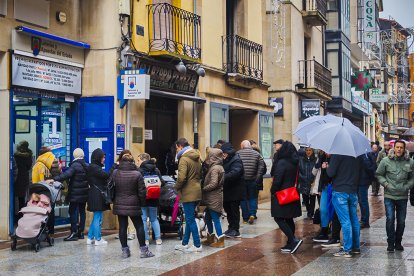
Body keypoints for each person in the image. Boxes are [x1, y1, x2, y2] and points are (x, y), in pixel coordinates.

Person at [113, 153, 154, 258]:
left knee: (122, 226)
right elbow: (142, 192)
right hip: (134, 203)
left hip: (119, 202)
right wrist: (142, 203)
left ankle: (125, 251)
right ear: (132, 162)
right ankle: (144, 251)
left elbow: (111, 188)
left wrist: (114, 200)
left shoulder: (116, 173)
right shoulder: (137, 174)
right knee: (139, 225)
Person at [376, 140, 414, 252]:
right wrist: (386, 184)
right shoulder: (385, 161)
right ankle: (390, 243)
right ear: (394, 148)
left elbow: (412, 177)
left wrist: (407, 186)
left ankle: (398, 242)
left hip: (402, 196)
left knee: (401, 221)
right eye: (397, 147)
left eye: (401, 147)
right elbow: (379, 174)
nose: (399, 149)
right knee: (390, 219)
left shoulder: (410, 162)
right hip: (389, 195)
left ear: (404, 149)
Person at [327, 154, 362, 258]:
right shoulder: (357, 155)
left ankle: (347, 249)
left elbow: (330, 173)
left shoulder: (337, 154)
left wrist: (327, 167)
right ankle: (356, 247)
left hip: (340, 191)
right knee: (354, 220)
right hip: (353, 191)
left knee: (345, 221)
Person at [271, 141, 303, 254]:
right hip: (292, 193)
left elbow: (277, 179)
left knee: (278, 218)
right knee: (289, 218)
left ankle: (293, 240)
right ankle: (290, 242)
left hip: (281, 194)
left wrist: (273, 190)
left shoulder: (282, 162)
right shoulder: (295, 162)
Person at [174, 138, 203, 253]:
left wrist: (176, 187)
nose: (176, 151)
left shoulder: (184, 159)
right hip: (196, 190)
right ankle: (185, 243)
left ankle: (197, 244)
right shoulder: (197, 157)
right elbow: (200, 174)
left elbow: (181, 178)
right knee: (189, 217)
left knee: (190, 219)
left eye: (176, 148)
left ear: (180, 146)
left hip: (188, 192)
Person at [53, 148, 89, 241]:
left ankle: (74, 232)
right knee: (82, 211)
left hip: (75, 193)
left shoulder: (75, 165)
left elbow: (66, 175)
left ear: (74, 155)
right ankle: (81, 232)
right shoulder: (86, 165)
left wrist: (54, 179)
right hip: (84, 192)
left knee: (72, 211)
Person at [31, 146, 61, 234]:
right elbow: (57, 176)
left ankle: (40, 230)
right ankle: (50, 231)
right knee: (50, 209)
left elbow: (33, 179)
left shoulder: (37, 163)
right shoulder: (53, 160)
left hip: (38, 189)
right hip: (49, 190)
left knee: (40, 209)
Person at [136, 153, 164, 246]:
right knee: (154, 219)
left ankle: (146, 240)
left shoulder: (139, 171)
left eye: (139, 160)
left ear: (143, 160)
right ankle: (158, 239)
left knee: (143, 219)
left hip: (143, 198)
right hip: (154, 198)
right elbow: (162, 183)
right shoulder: (156, 169)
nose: (137, 162)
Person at [201, 148, 225, 248]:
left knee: (215, 218)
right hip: (214, 197)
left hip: (213, 198)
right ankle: (210, 237)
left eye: (209, 156)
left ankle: (220, 240)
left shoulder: (215, 168)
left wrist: (204, 188)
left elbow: (214, 183)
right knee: (207, 217)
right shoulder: (218, 167)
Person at [110, 150, 136, 241]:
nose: (127, 157)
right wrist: (115, 166)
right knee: (121, 218)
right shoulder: (116, 167)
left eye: (129, 155)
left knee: (131, 217)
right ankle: (122, 233)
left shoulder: (133, 166)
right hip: (120, 195)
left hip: (130, 195)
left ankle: (131, 232)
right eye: (125, 155)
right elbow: (111, 177)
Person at [238, 140, 266, 224]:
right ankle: (252, 214)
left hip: (241, 181)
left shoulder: (238, 153)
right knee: (253, 198)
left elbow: (236, 167)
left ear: (242, 146)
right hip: (253, 180)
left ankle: (245, 218)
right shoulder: (257, 154)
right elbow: (262, 168)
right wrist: (257, 178)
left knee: (243, 199)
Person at [86, 148, 110, 246]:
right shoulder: (95, 168)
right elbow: (107, 175)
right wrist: (114, 166)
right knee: (98, 217)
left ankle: (90, 237)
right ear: (98, 158)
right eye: (103, 157)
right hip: (97, 194)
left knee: (96, 216)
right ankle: (98, 239)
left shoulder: (92, 167)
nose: (104, 159)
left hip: (94, 193)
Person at [221, 142, 244, 238]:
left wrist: (223, 177)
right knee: (228, 209)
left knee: (234, 209)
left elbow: (236, 172)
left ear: (228, 152)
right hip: (227, 189)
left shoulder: (236, 160)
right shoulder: (226, 159)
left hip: (235, 189)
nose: (223, 155)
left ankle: (235, 229)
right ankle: (230, 227)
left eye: (224, 153)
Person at [312, 151, 331, 243]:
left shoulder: (336, 158)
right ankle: (324, 231)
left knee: (333, 211)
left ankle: (334, 234)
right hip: (324, 187)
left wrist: (329, 167)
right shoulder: (322, 157)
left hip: (334, 187)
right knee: (323, 209)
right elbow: (316, 173)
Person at [14, 141, 33, 219]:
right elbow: (29, 167)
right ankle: (22, 215)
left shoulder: (16, 156)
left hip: (17, 178)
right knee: (22, 197)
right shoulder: (29, 156)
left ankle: (16, 215)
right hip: (25, 177)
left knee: (15, 197)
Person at [358, 153, 376, 229]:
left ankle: (365, 221)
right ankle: (363, 220)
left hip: (363, 181)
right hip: (359, 181)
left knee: (363, 201)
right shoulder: (362, 154)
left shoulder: (365, 155)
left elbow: (369, 167)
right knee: (361, 201)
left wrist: (371, 179)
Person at [298, 147, 317, 219]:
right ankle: (309, 211)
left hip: (312, 182)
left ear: (312, 151)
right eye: (307, 150)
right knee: (305, 198)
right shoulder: (301, 160)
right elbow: (299, 170)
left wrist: (313, 180)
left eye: (310, 150)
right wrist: (302, 177)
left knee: (312, 198)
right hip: (303, 182)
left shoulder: (315, 160)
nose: (308, 152)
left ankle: (311, 213)